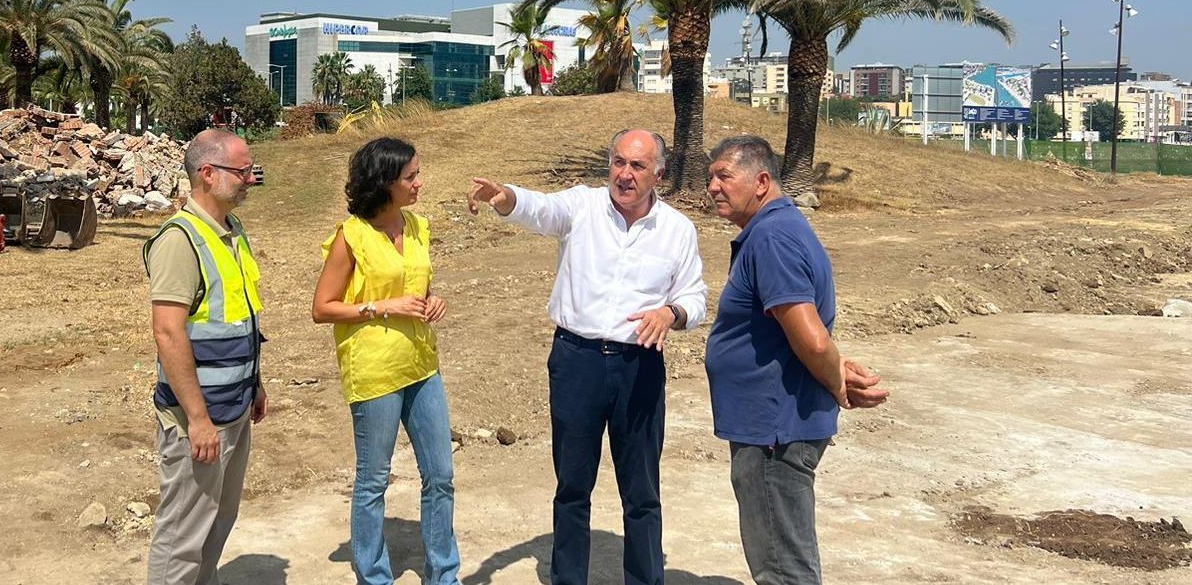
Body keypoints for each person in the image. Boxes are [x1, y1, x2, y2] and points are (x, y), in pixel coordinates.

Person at [469, 129, 707, 585]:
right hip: (577, 362)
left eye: (637, 166)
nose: (624, 174)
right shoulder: (583, 206)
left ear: (658, 174)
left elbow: (694, 297)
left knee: (641, 491)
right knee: (573, 487)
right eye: (618, 162)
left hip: (639, 366)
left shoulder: (678, 230)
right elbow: (541, 209)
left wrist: (671, 313)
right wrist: (507, 197)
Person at [702, 135, 889, 585]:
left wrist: (836, 381)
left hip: (775, 431)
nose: (712, 187)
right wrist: (835, 368)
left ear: (761, 182)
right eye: (711, 177)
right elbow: (801, 336)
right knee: (786, 559)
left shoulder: (772, 238)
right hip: (773, 424)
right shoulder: (778, 229)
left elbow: (813, 340)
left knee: (783, 569)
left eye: (724, 176)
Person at [313, 136, 459, 585]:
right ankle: (375, 577)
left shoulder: (417, 226)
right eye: (411, 176)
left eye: (418, 174)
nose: (419, 183)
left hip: (422, 365)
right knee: (374, 480)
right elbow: (322, 308)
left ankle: (444, 574)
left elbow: (419, 288)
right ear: (385, 182)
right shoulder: (351, 236)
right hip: (375, 372)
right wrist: (382, 306)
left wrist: (433, 301)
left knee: (441, 476)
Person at [145, 128, 268, 585]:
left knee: (216, 522)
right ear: (208, 174)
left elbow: (240, 317)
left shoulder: (232, 233)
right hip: (198, 419)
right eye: (243, 171)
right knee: (182, 536)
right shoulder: (180, 239)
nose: (250, 179)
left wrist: (255, 384)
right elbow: (168, 331)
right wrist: (197, 419)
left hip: (234, 407)